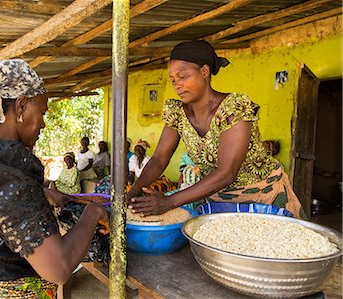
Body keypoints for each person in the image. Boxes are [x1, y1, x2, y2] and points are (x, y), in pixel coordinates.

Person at [0, 59, 109, 299]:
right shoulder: (8, 163)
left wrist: (43, 193)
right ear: (21, 106)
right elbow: (58, 268)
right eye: (42, 112)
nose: (43, 123)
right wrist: (93, 213)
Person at [127, 40, 305, 219]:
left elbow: (227, 172)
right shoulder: (177, 114)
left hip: (262, 196)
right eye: (172, 80)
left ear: (204, 71)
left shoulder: (234, 109)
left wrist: (169, 201)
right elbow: (159, 159)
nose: (177, 85)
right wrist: (133, 191)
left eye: (183, 76)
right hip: (215, 197)